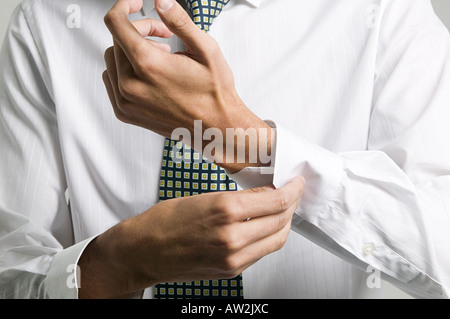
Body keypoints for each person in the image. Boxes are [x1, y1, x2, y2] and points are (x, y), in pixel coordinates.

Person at [0, 0, 449, 299]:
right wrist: (114, 265)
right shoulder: (45, 19)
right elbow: (9, 265)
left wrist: (243, 140)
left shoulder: (385, 11)